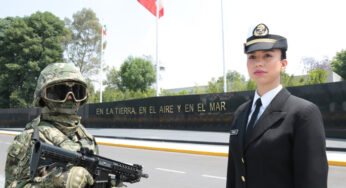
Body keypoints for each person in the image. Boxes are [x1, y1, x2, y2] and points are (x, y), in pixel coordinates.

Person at [226, 23, 328, 188]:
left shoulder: (303, 113)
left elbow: (312, 181)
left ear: (283, 64)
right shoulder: (241, 112)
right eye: (252, 57)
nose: (258, 63)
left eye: (267, 55)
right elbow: (233, 175)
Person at [5, 63, 124, 188]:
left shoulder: (86, 139)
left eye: (77, 92)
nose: (69, 98)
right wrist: (55, 181)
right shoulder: (29, 139)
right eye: (60, 91)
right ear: (43, 97)